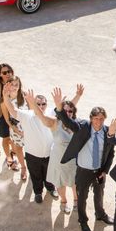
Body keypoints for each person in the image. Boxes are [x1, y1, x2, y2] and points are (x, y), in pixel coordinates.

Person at [54, 87, 116, 231]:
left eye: (101, 119)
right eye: (96, 118)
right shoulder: (83, 127)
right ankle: (83, 220)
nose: (98, 122)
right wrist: (59, 107)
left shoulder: (108, 132)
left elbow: (111, 153)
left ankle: (100, 214)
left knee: (99, 194)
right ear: (91, 118)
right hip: (83, 170)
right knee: (82, 197)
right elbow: (68, 122)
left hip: (99, 170)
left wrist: (104, 171)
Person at [33, 84, 84, 213]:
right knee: (60, 182)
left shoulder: (77, 124)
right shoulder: (55, 122)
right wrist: (32, 103)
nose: (68, 113)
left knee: (74, 182)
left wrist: (77, 96)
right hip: (58, 159)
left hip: (73, 160)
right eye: (65, 111)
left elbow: (69, 106)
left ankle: (77, 200)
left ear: (73, 112)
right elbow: (42, 117)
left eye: (70, 111)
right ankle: (64, 201)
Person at [4, 87, 58, 200]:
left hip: (49, 154)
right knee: (35, 175)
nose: (41, 106)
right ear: (33, 104)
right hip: (32, 155)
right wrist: (5, 96)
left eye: (43, 104)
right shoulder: (26, 114)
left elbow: (66, 109)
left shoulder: (51, 112)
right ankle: (38, 193)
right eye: (38, 104)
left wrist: (76, 96)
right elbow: (12, 110)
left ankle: (51, 188)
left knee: (50, 174)